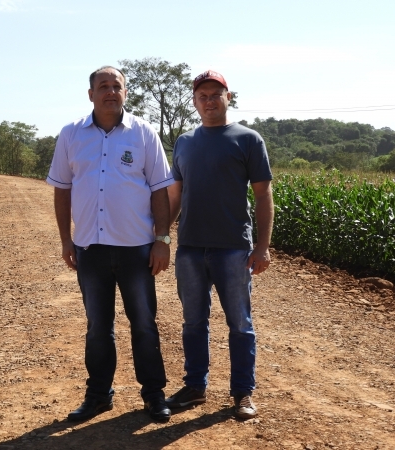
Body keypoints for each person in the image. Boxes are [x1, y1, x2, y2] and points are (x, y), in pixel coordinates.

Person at [47, 66, 174, 423]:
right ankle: (99, 395)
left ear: (125, 92)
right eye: (103, 86)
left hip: (137, 249)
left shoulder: (143, 133)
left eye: (116, 86)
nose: (110, 92)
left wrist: (162, 239)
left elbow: (160, 190)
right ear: (91, 94)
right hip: (91, 249)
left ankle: (154, 395)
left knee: (144, 323)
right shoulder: (71, 134)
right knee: (98, 327)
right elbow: (62, 190)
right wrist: (66, 239)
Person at [165, 70, 274, 420]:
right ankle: (195, 387)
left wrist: (262, 246)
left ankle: (242, 392)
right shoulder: (184, 142)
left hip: (233, 248)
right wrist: (161, 235)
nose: (209, 101)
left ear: (228, 97)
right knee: (193, 322)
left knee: (240, 323)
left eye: (216, 94)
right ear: (195, 102)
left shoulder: (248, 139)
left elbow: (263, 195)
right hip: (190, 248)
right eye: (203, 96)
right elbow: (176, 196)